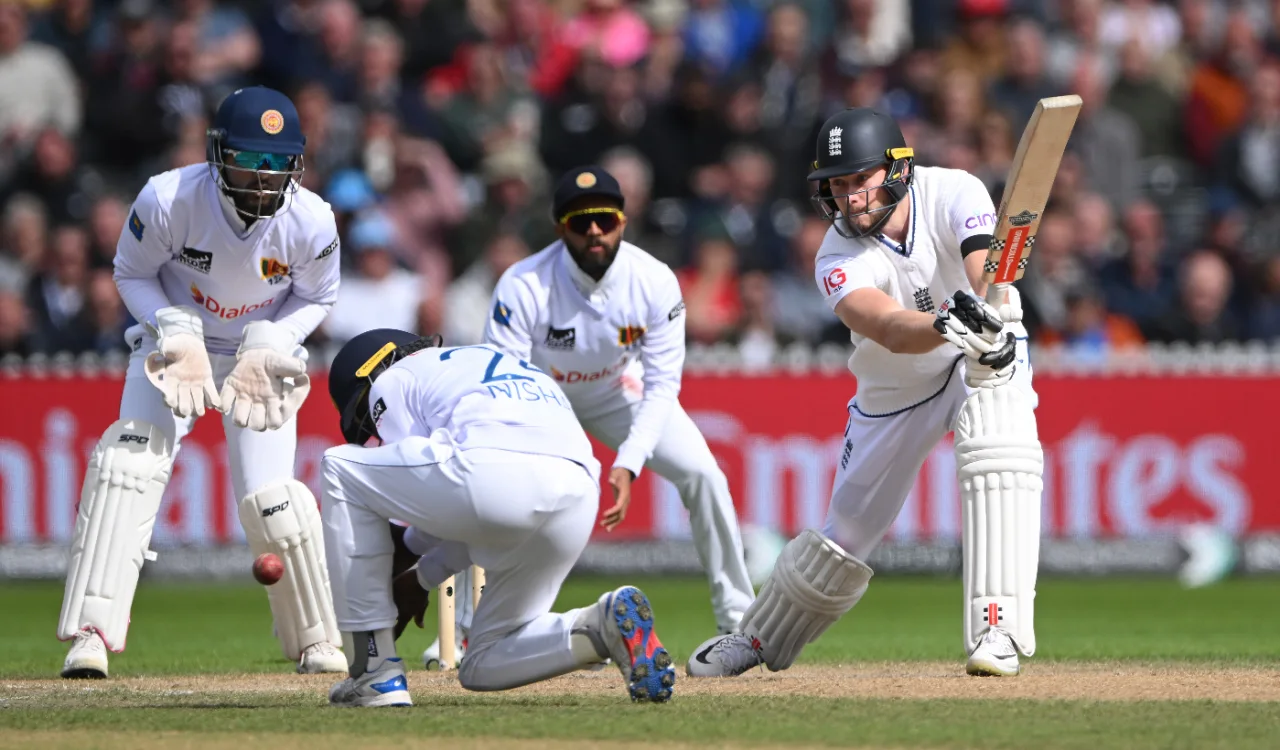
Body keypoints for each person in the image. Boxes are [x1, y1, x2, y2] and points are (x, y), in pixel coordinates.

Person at [685, 107, 1042, 679]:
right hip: (896, 385)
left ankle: (995, 628)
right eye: (839, 185)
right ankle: (756, 636)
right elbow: (887, 327)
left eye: (861, 180)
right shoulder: (836, 253)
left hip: (983, 349)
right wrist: (948, 323)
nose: (850, 198)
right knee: (845, 532)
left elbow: (984, 267)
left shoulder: (954, 189)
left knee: (998, 449)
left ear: (897, 168)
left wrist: (985, 315)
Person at [57, 86, 348, 678]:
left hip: (256, 359)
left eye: (277, 164)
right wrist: (172, 328)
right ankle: (91, 634)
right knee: (127, 466)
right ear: (218, 153)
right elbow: (130, 272)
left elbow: (319, 296)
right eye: (250, 160)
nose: (264, 179)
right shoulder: (169, 199)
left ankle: (316, 640)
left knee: (274, 501)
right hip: (175, 349)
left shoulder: (311, 219)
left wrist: (272, 342)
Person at [320, 329, 676, 707]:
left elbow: (449, 484)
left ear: (370, 373)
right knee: (482, 663)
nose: (372, 431)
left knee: (339, 467)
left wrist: (400, 556)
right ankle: (601, 627)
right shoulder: (488, 362)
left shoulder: (390, 378)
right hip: (577, 494)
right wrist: (421, 576)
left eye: (364, 418)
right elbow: (478, 509)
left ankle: (373, 672)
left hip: (490, 474)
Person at [478, 165, 756, 639]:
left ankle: (740, 621)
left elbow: (662, 384)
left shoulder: (654, 280)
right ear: (559, 228)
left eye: (604, 220)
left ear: (623, 222)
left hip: (613, 388)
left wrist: (628, 462)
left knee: (705, 474)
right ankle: (471, 628)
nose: (593, 231)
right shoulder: (523, 283)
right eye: (580, 221)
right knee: (492, 487)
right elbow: (504, 383)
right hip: (541, 398)